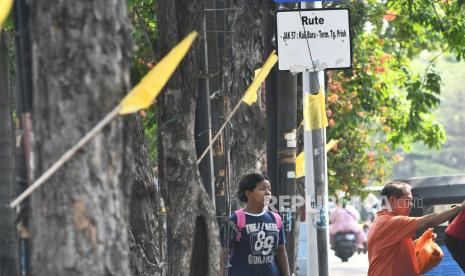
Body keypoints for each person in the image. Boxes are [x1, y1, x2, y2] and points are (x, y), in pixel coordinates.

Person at [367, 181, 465, 276]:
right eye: (408, 201)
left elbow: (394, 253)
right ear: (392, 200)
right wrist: (460, 207)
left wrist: (421, 242)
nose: (411, 205)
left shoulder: (381, 221)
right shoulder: (390, 222)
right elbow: (427, 221)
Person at [221, 173, 290, 276]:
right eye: (262, 189)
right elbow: (222, 256)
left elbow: (281, 252)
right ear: (249, 193)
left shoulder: (275, 219)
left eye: (269, 189)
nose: (268, 193)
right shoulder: (234, 220)